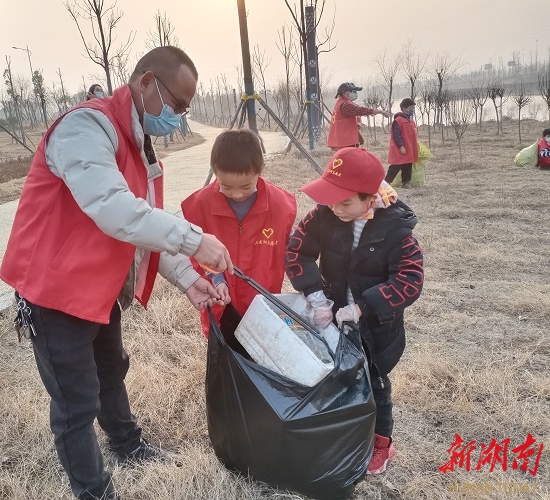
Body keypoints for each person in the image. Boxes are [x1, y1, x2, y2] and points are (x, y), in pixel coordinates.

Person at [0, 46, 233, 500]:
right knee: (75, 402)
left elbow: (143, 226)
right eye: (177, 105)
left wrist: (189, 278)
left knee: (111, 370)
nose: (179, 117)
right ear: (146, 82)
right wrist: (195, 239)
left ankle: (127, 444)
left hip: (98, 289)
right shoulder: (84, 128)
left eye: (186, 109)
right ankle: (94, 491)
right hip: (54, 291)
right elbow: (115, 210)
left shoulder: (136, 144)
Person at [284, 147, 424, 475]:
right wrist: (317, 297)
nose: (336, 208)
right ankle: (342, 434)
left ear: (369, 197)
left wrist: (363, 308)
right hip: (331, 316)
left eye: (345, 202)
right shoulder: (324, 215)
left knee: (374, 381)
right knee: (331, 377)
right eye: (332, 200)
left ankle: (381, 444)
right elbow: (297, 251)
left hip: (376, 327)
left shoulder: (396, 230)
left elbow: (410, 279)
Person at [181, 129, 297, 337]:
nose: (236, 194)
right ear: (215, 172)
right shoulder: (200, 206)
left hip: (263, 301)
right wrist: (217, 279)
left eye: (246, 187)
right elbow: (196, 254)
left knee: (263, 352)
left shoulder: (280, 206)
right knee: (225, 357)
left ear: (260, 171)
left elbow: (293, 250)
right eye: (226, 186)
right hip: (221, 302)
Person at [327, 82, 391, 151]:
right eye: (352, 91)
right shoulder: (345, 105)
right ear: (344, 92)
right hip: (345, 142)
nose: (354, 93)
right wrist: (380, 111)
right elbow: (361, 110)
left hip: (341, 141)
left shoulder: (341, 102)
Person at [385, 98, 419, 188]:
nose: (412, 110)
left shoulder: (411, 121)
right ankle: (386, 183)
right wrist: (401, 146)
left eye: (413, 108)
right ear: (404, 109)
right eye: (411, 108)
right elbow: (397, 135)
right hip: (401, 147)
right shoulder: (398, 121)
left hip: (410, 147)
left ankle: (405, 182)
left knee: (408, 165)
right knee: (396, 165)